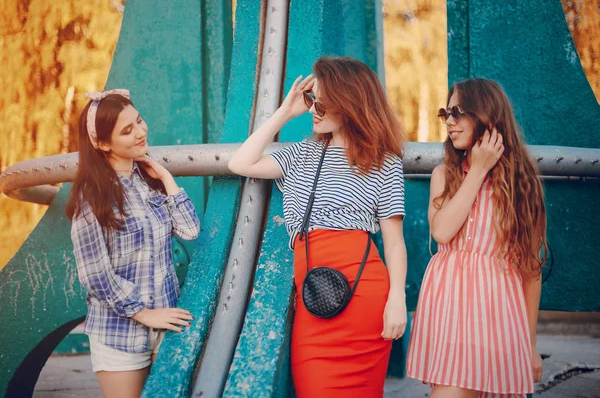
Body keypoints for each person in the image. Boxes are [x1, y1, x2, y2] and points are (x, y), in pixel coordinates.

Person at [228, 56, 408, 397]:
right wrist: (284, 112)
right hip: (315, 299)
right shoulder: (301, 154)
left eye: (322, 104)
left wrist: (397, 300)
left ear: (350, 103)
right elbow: (240, 162)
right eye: (313, 101)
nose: (314, 110)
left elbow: (394, 242)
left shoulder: (384, 161)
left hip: (365, 295)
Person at [406, 78, 547, 398]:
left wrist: (530, 345)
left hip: (497, 315)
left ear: (487, 116)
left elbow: (531, 271)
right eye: (446, 113)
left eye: (458, 112)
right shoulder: (445, 175)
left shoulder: (523, 186)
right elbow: (442, 231)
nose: (450, 122)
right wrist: (478, 171)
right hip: (450, 313)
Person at [66, 89, 200, 397]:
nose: (140, 132)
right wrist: (143, 313)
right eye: (127, 131)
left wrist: (167, 179)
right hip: (120, 334)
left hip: (167, 326)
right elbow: (94, 274)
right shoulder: (93, 199)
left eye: (139, 121)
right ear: (101, 143)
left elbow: (190, 231)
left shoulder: (149, 180)